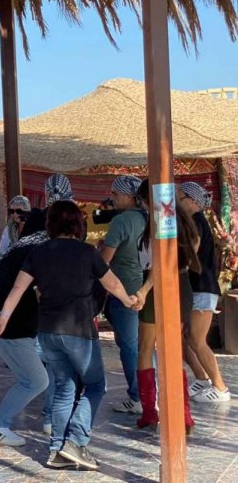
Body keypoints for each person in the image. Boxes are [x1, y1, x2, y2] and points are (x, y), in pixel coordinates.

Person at [0, 201, 139, 471]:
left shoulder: (38, 252)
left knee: (64, 389)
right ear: (78, 224)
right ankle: (76, 441)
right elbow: (112, 283)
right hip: (79, 331)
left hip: (48, 332)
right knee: (95, 386)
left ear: (50, 224)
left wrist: (2, 318)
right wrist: (129, 301)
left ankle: (56, 450)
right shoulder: (87, 252)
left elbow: (18, 288)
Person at [134, 180, 197, 432]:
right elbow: (187, 255)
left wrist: (144, 290)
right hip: (182, 285)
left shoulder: (159, 221)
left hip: (156, 287)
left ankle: (150, 412)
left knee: (145, 348)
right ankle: (183, 414)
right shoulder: (183, 222)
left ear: (145, 199)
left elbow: (159, 263)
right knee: (172, 350)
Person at [0, 219, 53, 446]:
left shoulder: (19, 249)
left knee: (50, 369)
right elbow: (40, 293)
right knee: (36, 380)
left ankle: (52, 418)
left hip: (10, 327)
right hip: (12, 330)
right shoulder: (39, 252)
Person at [178, 182, 232, 402]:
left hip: (203, 288)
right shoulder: (194, 221)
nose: (176, 202)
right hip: (197, 288)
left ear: (192, 201)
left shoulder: (197, 222)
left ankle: (220, 388)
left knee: (197, 340)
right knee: (186, 340)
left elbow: (191, 254)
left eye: (180, 198)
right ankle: (202, 379)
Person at [100, 175, 146, 414]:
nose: (113, 198)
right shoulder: (149, 218)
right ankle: (151, 393)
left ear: (129, 196)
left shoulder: (121, 221)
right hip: (146, 290)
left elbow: (104, 261)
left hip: (124, 291)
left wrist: (99, 249)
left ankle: (138, 397)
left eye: (116, 194)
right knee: (144, 345)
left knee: (129, 346)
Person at [0, 196, 32, 283]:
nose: (15, 214)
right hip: (13, 271)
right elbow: (1, 250)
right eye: (12, 211)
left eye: (18, 211)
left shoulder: (34, 227)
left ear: (27, 211)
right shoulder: (9, 229)